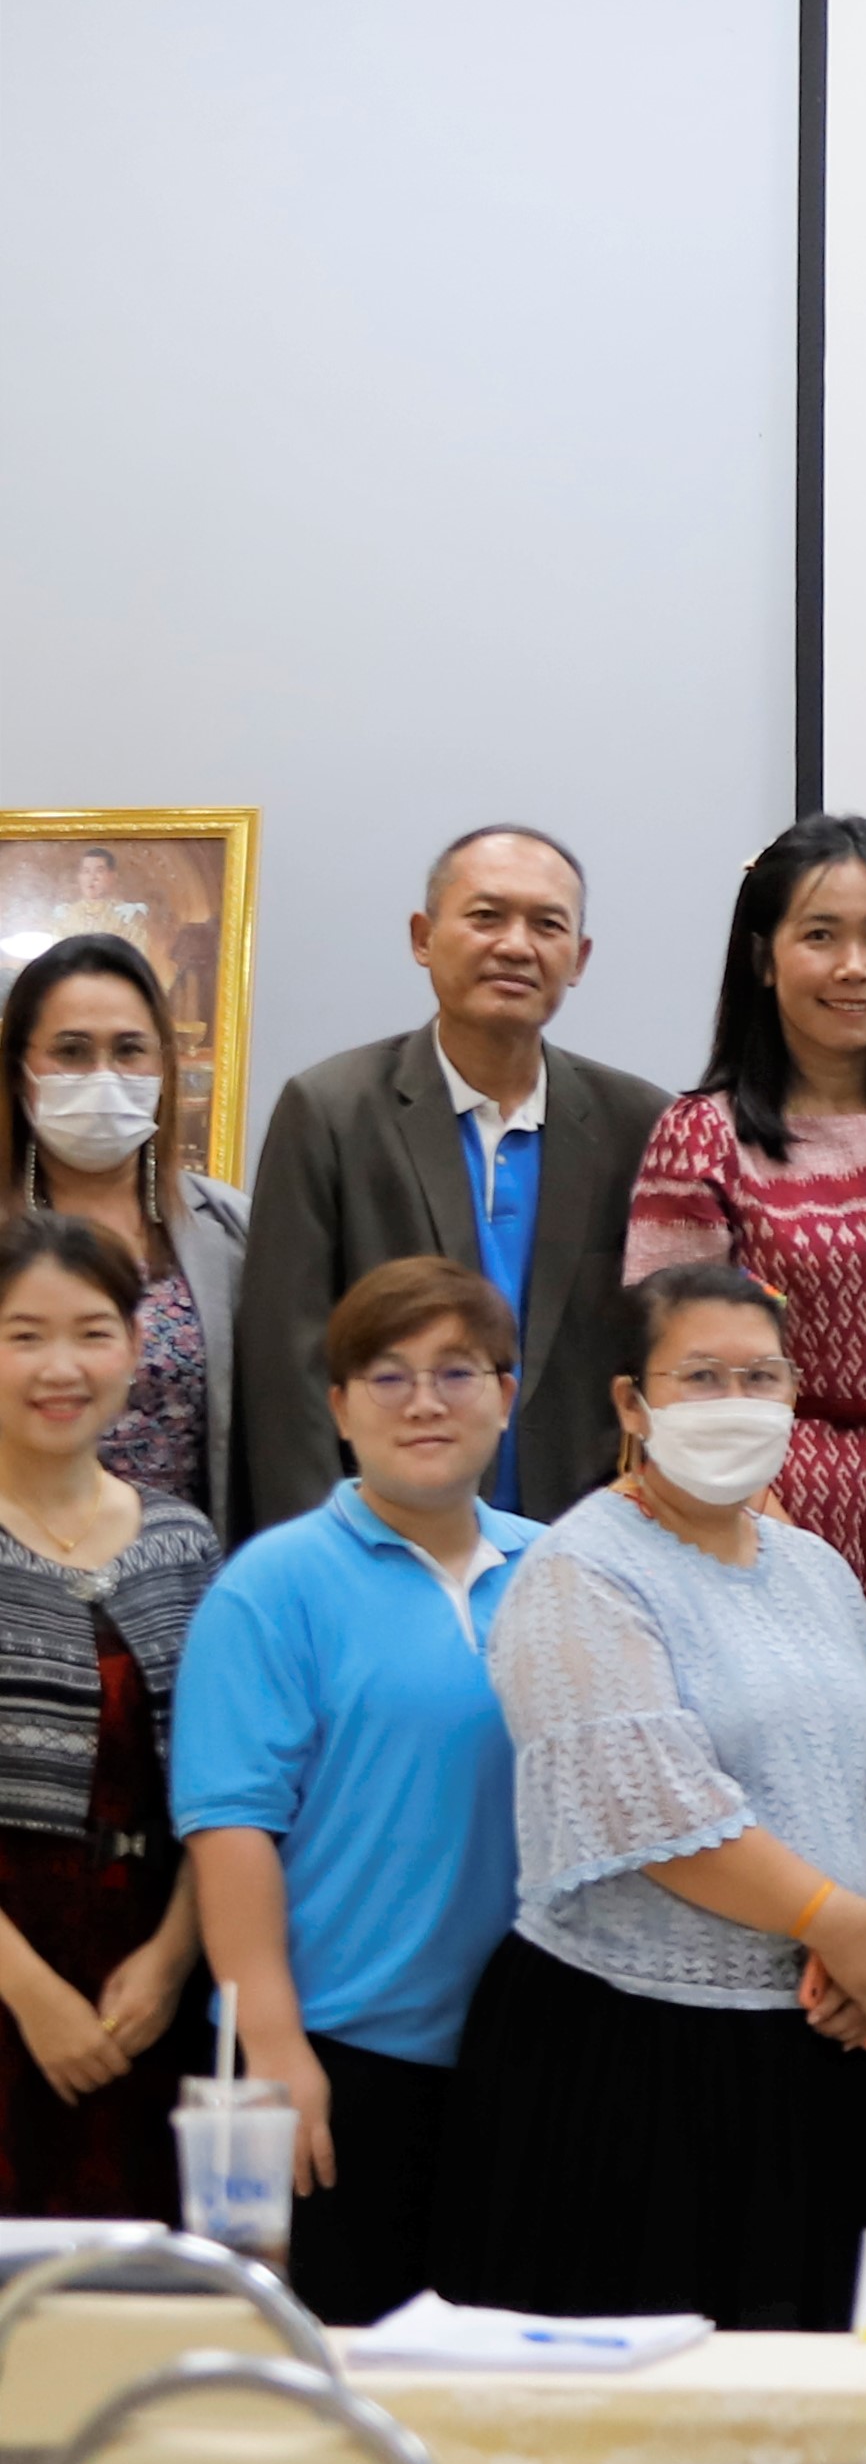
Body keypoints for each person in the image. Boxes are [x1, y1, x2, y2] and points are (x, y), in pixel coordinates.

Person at [434, 1263, 866, 2326]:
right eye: (700, 1376)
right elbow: (654, 1808)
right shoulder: (580, 1569)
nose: (735, 1401)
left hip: (834, 2037)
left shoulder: (816, 1568)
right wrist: (835, 1920)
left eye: (761, 1376)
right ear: (632, 1402)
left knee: (826, 2389)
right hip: (634, 2058)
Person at [174, 1257, 533, 2319]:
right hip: (334, 2052)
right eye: (387, 1375)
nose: (425, 1402)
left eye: (457, 1371)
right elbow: (231, 1829)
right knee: (329, 2369)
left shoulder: (562, 1572)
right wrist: (276, 2047)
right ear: (338, 1407)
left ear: (506, 1394)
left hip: (523, 2057)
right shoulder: (272, 1585)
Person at [234, 827, 667, 1528]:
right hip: (382, 1536)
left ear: (579, 958)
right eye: (486, 916)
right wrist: (320, 1557)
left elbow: (663, 1356)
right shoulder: (331, 1112)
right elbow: (287, 1372)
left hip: (581, 1545)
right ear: (423, 937)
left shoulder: (640, 1125)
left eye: (547, 924)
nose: (516, 946)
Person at [623, 813, 866, 1630]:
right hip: (748, 1517)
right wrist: (787, 1559)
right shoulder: (702, 1136)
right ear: (764, 958)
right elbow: (675, 1378)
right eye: (820, 935)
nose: (854, 966)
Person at [0, 1218, 217, 2218]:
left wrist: (171, 1960)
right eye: (24, 1335)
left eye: (92, 1332)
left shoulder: (184, 1540)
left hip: (150, 1976)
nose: (62, 1366)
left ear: (134, 1348)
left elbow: (227, 1785)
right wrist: (30, 1993)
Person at [4, 931, 251, 1530]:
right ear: (18, 1070)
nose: (104, 1075)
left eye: (129, 1050)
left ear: (163, 1065)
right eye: (71, 1051)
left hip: (187, 1567)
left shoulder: (230, 1231)